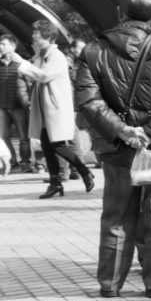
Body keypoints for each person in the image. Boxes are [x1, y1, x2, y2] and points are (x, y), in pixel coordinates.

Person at [75, 0, 151, 297]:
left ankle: (110, 284)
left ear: (121, 12)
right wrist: (149, 135)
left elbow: (88, 101)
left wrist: (124, 131)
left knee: (116, 215)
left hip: (116, 148)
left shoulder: (92, 50)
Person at [12, 21, 95, 198]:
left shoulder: (56, 56)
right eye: (34, 33)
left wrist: (21, 62)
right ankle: (55, 183)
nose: (33, 36)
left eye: (37, 33)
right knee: (48, 147)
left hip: (54, 109)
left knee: (58, 146)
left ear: (48, 36)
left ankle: (84, 172)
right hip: (43, 109)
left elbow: (43, 76)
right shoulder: (41, 55)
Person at [0, 34, 32, 174]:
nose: (1, 47)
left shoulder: (21, 63)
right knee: (3, 136)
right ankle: (12, 161)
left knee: (23, 137)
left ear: (13, 46)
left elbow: (30, 83)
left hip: (19, 107)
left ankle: (25, 162)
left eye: (4, 44)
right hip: (2, 107)